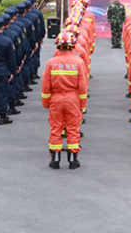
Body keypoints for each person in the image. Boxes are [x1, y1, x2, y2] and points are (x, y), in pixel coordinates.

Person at [42, 32, 88, 170]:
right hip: (72, 99)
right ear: (72, 46)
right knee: (73, 128)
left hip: (56, 99)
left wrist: (46, 102)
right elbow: (83, 86)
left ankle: (55, 159)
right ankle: (73, 160)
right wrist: (82, 105)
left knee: (56, 128)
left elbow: (45, 85)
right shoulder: (78, 62)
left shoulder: (51, 62)